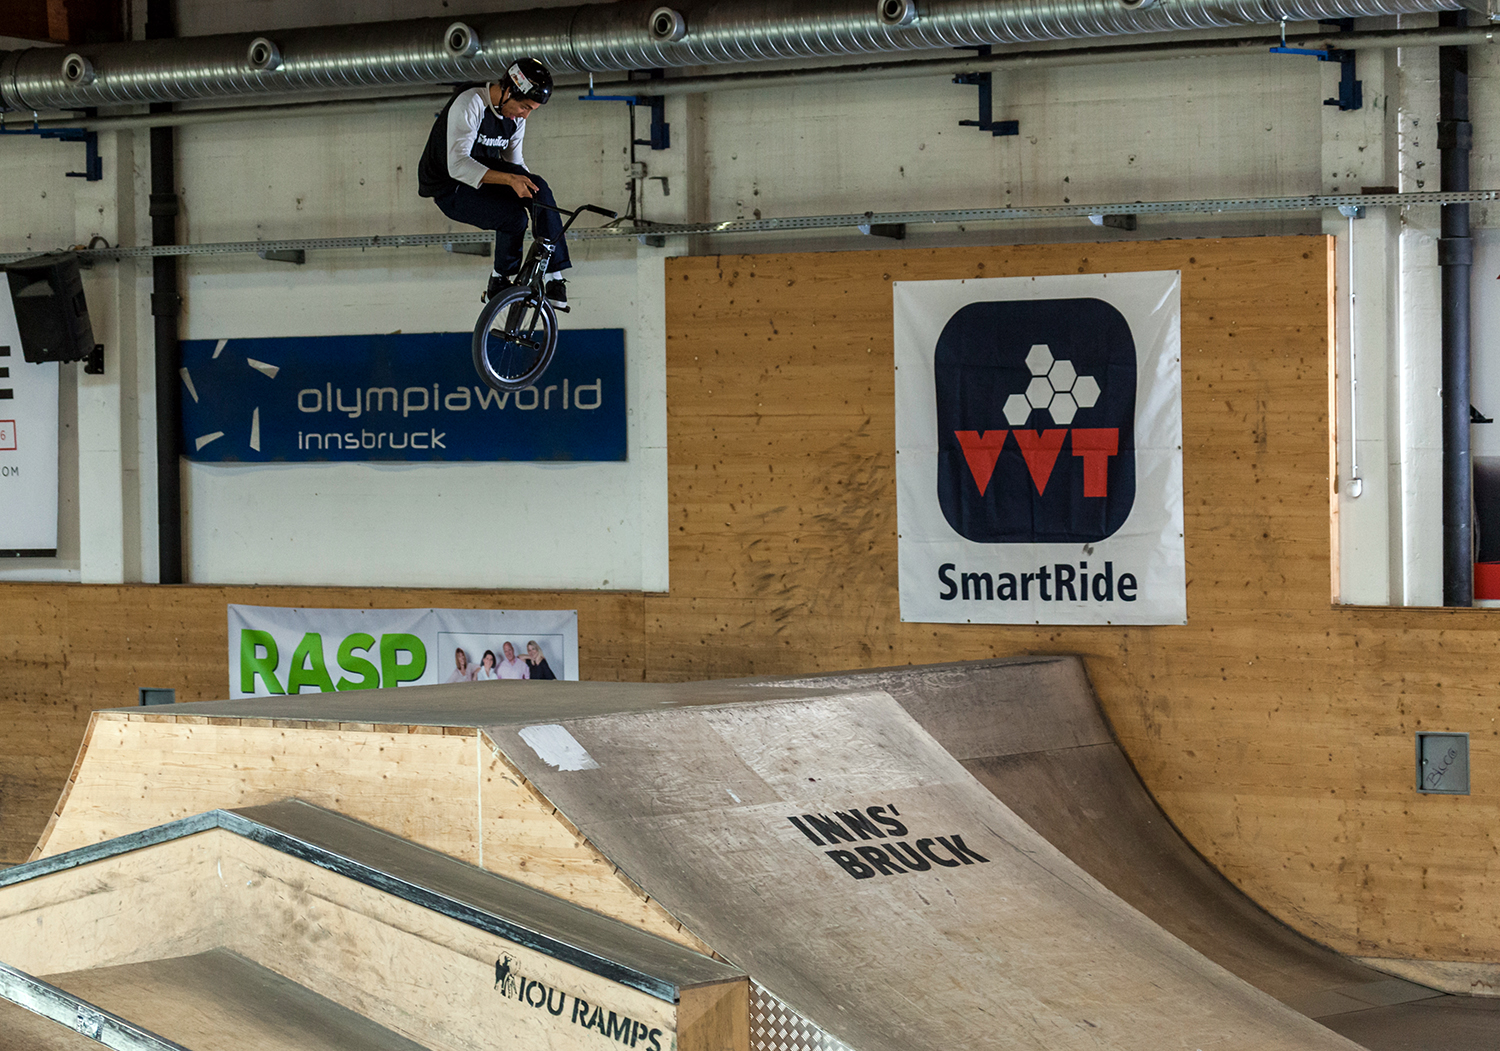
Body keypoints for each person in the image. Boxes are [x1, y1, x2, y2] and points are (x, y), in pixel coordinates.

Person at [417, 57, 570, 310]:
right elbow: (457, 165)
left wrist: (535, 198)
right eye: (524, 107)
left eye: (532, 110)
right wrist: (511, 180)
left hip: (482, 178)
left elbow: (515, 164)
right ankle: (502, 281)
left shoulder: (516, 120)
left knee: (537, 189)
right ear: (508, 91)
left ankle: (550, 277)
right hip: (448, 187)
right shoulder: (471, 102)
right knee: (514, 218)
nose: (525, 116)